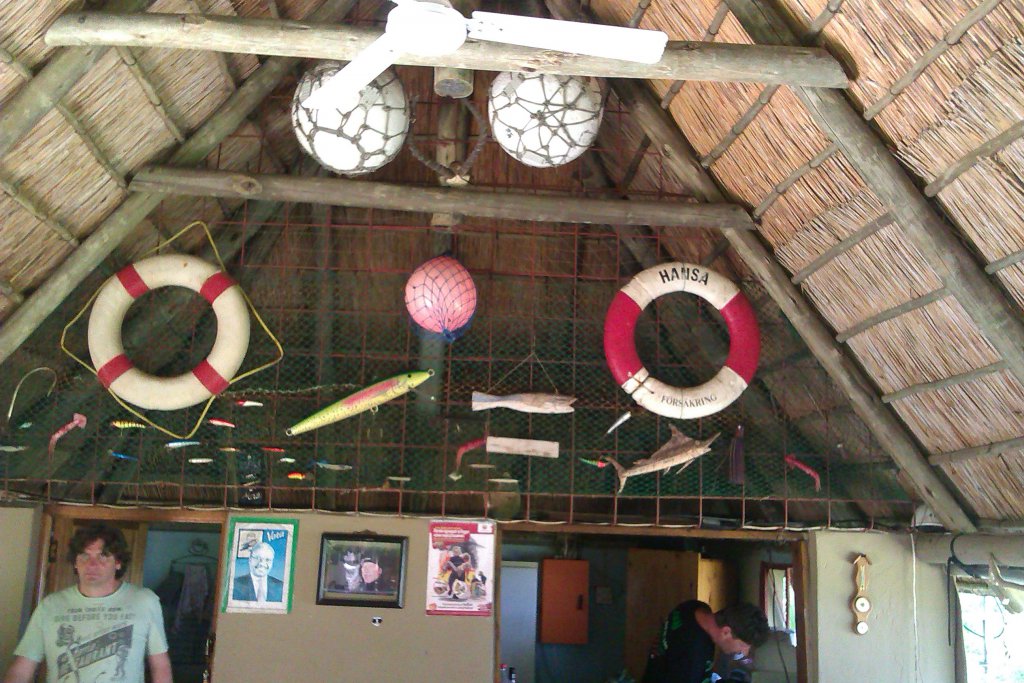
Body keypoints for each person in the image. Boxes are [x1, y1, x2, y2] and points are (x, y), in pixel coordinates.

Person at [2, 523, 172, 683]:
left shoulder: (145, 601)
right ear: (75, 563)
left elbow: (160, 666)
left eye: (102, 556)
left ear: (118, 562)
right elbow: (22, 669)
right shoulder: (50, 606)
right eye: (84, 555)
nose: (92, 564)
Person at [641, 600, 769, 683]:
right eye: (743, 645)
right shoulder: (693, 656)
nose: (744, 652)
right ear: (726, 632)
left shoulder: (695, 608)